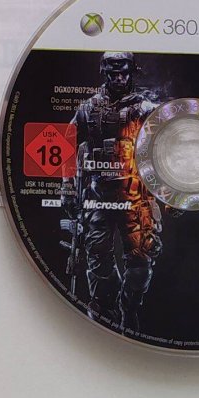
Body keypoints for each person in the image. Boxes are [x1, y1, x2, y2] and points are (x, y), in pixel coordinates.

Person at [62, 52, 162, 331]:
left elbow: (170, 148)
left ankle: (129, 306)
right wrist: (67, 186)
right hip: (98, 197)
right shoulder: (88, 109)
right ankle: (106, 310)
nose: (119, 78)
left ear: (131, 72)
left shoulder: (145, 109)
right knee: (98, 258)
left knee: (141, 260)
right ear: (104, 73)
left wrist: (171, 194)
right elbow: (67, 143)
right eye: (113, 73)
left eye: (123, 73)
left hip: (137, 197)